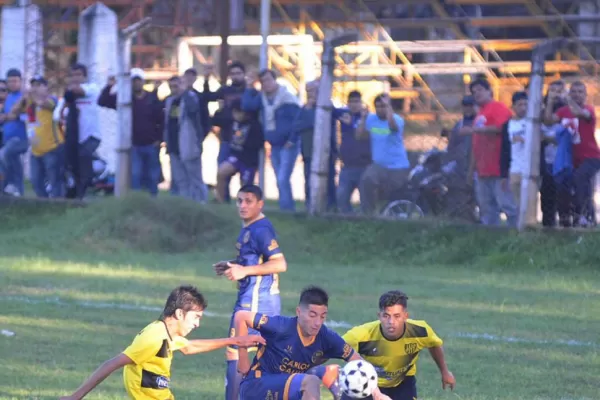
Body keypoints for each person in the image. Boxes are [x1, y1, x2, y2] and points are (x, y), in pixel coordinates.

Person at [59, 285, 264, 400]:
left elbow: (190, 347)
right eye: (196, 317)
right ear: (179, 313)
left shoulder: (167, 333)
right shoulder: (153, 337)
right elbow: (111, 364)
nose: (197, 324)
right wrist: (76, 396)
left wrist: (236, 340)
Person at [234, 286, 392, 400]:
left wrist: (377, 394)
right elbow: (241, 316)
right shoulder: (280, 327)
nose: (317, 322)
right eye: (312, 315)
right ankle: (324, 373)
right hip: (257, 385)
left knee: (309, 383)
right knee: (311, 382)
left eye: (322, 316)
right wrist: (242, 359)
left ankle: (325, 373)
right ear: (298, 312)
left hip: (289, 390)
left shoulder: (327, 337)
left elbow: (359, 363)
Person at [214, 184, 288, 400]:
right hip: (251, 300)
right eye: (239, 201)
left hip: (256, 303)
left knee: (237, 351)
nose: (243, 205)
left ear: (260, 204)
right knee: (254, 357)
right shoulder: (250, 226)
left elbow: (280, 263)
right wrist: (232, 265)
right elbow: (255, 260)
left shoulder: (261, 230)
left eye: (248, 201)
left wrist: (243, 270)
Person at [342, 290, 455, 400]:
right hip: (364, 382)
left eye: (397, 316)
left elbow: (434, 345)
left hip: (402, 383)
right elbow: (333, 346)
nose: (391, 322)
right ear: (379, 316)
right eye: (386, 316)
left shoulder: (420, 331)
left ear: (406, 316)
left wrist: (445, 371)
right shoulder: (360, 335)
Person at [214, 99, 263, 202]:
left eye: (238, 112)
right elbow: (217, 121)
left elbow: (258, 143)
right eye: (234, 112)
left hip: (249, 160)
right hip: (235, 156)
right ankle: (220, 200)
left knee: (245, 187)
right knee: (221, 172)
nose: (236, 115)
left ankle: (244, 207)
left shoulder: (254, 126)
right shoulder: (233, 122)